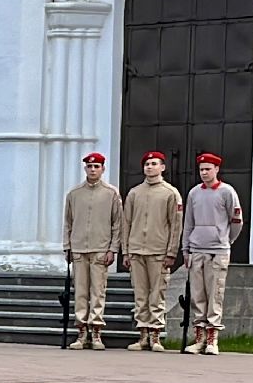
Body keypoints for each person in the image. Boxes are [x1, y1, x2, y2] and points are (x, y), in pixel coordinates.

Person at [121, 150, 184, 351]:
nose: (150, 167)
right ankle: (142, 334)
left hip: (158, 251)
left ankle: (155, 334)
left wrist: (171, 252)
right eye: (147, 164)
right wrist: (126, 250)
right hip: (137, 250)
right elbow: (126, 223)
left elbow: (175, 225)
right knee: (140, 294)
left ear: (162, 167)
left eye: (154, 163)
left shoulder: (170, 193)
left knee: (157, 294)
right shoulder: (134, 193)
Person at [183, 152, 243, 356]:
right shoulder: (194, 193)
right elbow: (188, 223)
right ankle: (199, 337)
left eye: (208, 169)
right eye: (201, 169)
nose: (204, 173)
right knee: (198, 295)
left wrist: (225, 240)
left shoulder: (227, 192)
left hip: (217, 250)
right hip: (197, 248)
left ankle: (212, 338)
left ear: (217, 169)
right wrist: (186, 249)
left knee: (215, 294)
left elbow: (236, 221)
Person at [61, 152, 123, 351]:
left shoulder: (111, 193)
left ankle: (96, 330)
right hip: (79, 248)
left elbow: (117, 224)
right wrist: (67, 246)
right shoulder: (74, 193)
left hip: (100, 248)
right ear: (85, 168)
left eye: (97, 166)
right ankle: (81, 331)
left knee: (98, 291)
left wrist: (113, 248)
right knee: (80, 292)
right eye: (90, 166)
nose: (93, 170)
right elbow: (68, 222)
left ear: (103, 169)